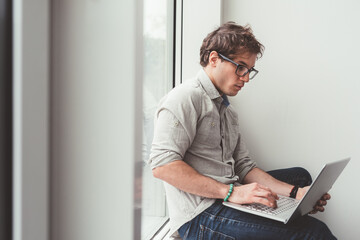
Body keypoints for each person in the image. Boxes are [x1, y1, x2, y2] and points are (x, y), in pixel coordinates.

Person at [148, 22, 336, 239]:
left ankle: (286, 213)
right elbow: (162, 165)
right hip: (200, 216)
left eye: (249, 70)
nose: (246, 78)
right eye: (240, 67)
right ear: (214, 59)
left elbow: (244, 166)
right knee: (314, 232)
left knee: (300, 177)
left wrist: (296, 194)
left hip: (226, 195)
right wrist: (231, 192)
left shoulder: (227, 111)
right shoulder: (185, 98)